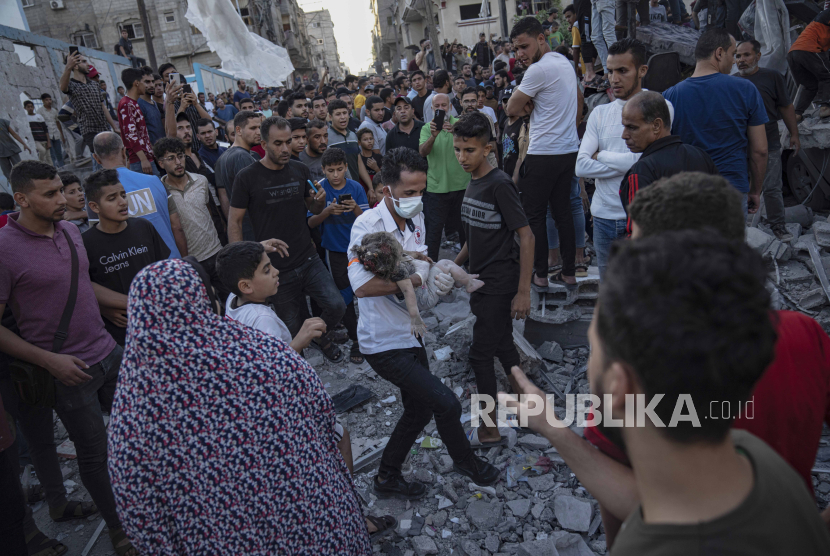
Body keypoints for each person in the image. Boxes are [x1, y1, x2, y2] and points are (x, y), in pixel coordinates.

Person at [504, 227, 830, 555]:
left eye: (594, 346)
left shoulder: (646, 547)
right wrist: (552, 428)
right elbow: (656, 501)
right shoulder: (755, 462)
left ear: (620, 385)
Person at [107, 258, 373, 555]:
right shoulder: (266, 355)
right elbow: (326, 424)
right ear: (207, 301)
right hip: (314, 526)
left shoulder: (133, 412)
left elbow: (138, 512)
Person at [0, 161, 137, 556]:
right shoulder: (5, 250)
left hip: (108, 351)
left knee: (145, 423)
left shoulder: (71, 232)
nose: (63, 199)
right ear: (22, 199)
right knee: (94, 452)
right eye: (51, 194)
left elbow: (83, 284)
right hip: (67, 370)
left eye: (62, 189)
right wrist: (47, 360)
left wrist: (129, 304)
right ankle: (118, 529)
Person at [348, 147, 500, 499]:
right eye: (408, 193)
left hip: (411, 334)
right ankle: (466, 462)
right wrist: (419, 282)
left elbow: (421, 263)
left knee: (417, 412)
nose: (416, 199)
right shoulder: (368, 227)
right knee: (446, 403)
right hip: (383, 342)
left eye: (421, 191)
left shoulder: (417, 219)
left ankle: (387, 478)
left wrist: (436, 282)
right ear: (386, 189)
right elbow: (362, 286)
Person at [229, 116, 346, 362]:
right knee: (291, 330)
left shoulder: (299, 169)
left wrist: (321, 200)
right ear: (263, 143)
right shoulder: (246, 177)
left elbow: (313, 209)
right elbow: (235, 221)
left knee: (337, 305)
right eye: (278, 143)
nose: (285, 148)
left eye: (288, 141)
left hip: (308, 256)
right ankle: (301, 369)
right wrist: (242, 262)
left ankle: (318, 335)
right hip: (275, 269)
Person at [452, 112, 533, 448]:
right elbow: (475, 234)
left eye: (469, 150)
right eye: (457, 149)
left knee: (479, 355)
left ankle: (488, 429)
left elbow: (526, 236)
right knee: (501, 345)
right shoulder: (473, 182)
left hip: (498, 284)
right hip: (478, 280)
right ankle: (529, 407)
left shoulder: (499, 184)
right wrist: (449, 265)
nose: (461, 157)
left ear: (487, 148)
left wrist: (523, 292)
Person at [576, 39, 673, 279]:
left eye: (622, 71)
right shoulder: (599, 113)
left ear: (642, 70)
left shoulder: (661, 107)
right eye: (610, 71)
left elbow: (657, 162)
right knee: (612, 294)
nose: (614, 78)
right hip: (603, 219)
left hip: (645, 217)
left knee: (646, 292)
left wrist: (603, 156)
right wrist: (636, 164)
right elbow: (581, 166)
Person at [506, 16, 581, 289]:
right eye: (515, 49)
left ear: (541, 39)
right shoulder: (565, 63)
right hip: (567, 150)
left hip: (542, 153)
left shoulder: (538, 71)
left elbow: (511, 109)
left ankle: (539, 275)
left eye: (524, 47)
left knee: (534, 216)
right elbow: (578, 101)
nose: (520, 55)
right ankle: (569, 272)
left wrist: (529, 103)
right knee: (563, 213)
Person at [663, 28, 768, 214]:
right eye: (733, 54)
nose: (734, 61)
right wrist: (755, 190)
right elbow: (759, 151)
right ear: (719, 53)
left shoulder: (670, 96)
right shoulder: (745, 89)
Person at [81, 168, 170, 346]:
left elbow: (162, 269)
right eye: (112, 198)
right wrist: (103, 308)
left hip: (159, 322)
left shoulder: (143, 227)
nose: (122, 202)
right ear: (94, 207)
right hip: (123, 335)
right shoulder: (85, 243)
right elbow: (84, 287)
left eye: (123, 195)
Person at [619, 91, 717, 233]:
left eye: (632, 127)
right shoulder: (700, 155)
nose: (624, 135)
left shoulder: (642, 171)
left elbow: (639, 233)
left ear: (657, 125)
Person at [307, 147, 370, 364]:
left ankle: (370, 333)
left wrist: (354, 209)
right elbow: (310, 222)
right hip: (334, 252)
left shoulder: (356, 188)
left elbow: (368, 221)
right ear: (323, 170)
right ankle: (355, 339)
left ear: (346, 168)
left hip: (358, 250)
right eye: (331, 170)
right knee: (345, 298)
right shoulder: (320, 190)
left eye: (340, 169)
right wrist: (326, 211)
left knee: (365, 292)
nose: (335, 175)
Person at [735, 39, 801, 240]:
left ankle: (778, 227)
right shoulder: (733, 81)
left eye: (746, 55)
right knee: (739, 187)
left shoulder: (772, 77)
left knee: (772, 187)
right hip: (739, 144)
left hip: (769, 141)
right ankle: (740, 232)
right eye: (738, 56)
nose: (742, 60)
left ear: (758, 56)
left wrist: (794, 133)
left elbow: (786, 107)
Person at [155, 137, 227, 300]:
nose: (178, 162)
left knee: (228, 298)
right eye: (171, 158)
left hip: (215, 251)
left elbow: (210, 211)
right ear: (161, 163)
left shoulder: (200, 180)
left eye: (180, 156)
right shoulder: (160, 191)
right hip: (191, 261)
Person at [92, 131, 181, 258]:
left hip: (135, 272)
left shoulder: (96, 193)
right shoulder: (155, 181)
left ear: (96, 158)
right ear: (124, 152)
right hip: (172, 265)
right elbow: (177, 226)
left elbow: (99, 239)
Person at [419, 93, 469, 261]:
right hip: (436, 188)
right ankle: (429, 267)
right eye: (437, 106)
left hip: (462, 185)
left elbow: (471, 145)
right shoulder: (427, 128)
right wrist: (434, 135)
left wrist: (456, 131)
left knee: (465, 230)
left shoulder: (461, 125)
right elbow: (422, 152)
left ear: (451, 107)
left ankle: (469, 266)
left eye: (444, 105)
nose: (441, 109)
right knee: (433, 231)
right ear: (432, 109)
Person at [60, 51, 119, 165]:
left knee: (111, 160)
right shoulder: (71, 85)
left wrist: (113, 127)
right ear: (75, 66)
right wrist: (68, 67)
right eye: (84, 61)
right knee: (100, 162)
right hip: (89, 131)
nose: (88, 64)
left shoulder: (94, 85)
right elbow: (63, 87)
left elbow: (103, 106)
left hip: (104, 127)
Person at [214, 110, 261, 233]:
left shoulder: (224, 156)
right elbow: (258, 196)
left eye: (260, 127)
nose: (259, 132)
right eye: (253, 128)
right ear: (238, 130)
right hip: (253, 226)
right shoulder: (241, 157)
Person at [787, 10, 830, 121]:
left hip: (793, 53)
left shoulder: (821, 20)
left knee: (810, 86)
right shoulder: (827, 15)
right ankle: (825, 107)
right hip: (808, 49)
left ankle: (797, 114)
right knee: (827, 75)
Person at [118, 67, 156, 176]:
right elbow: (131, 135)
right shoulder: (127, 104)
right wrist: (143, 159)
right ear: (136, 83)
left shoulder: (133, 103)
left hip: (145, 158)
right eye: (144, 82)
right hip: (140, 160)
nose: (147, 86)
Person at [328, 99, 362, 184]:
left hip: (355, 186)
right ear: (330, 117)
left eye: (345, 113)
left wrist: (370, 186)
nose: (342, 117)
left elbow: (359, 162)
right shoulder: (326, 137)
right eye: (338, 114)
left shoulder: (353, 135)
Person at [564, 4, 592, 83]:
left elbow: (576, 49)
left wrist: (575, 68)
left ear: (576, 14)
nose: (567, 20)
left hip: (586, 66)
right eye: (566, 17)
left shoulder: (576, 25)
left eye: (569, 16)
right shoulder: (587, 20)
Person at [590, 0, 617, 78]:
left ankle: (615, 68)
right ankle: (607, 70)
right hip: (594, 1)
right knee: (595, 37)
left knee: (608, 33)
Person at [137, 68, 164, 146]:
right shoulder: (138, 105)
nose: (151, 85)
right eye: (147, 82)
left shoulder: (154, 103)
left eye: (152, 81)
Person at [37, 94, 66, 168]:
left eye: (50, 99)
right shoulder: (40, 111)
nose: (49, 101)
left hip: (56, 134)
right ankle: (55, 169)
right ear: (43, 101)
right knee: (51, 154)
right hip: (47, 136)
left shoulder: (54, 111)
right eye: (47, 100)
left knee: (59, 153)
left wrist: (62, 135)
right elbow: (40, 125)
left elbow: (57, 123)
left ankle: (62, 168)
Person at [0, 117, 29, 186]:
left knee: (19, 167)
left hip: (11, 149)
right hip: (1, 153)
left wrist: (24, 144)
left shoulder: (3, 122)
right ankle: (15, 188)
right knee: (7, 173)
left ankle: (25, 184)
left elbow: (14, 134)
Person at [24, 100, 52, 165]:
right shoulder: (26, 118)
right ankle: (41, 164)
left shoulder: (39, 116)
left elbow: (45, 129)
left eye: (31, 106)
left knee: (48, 157)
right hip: (36, 140)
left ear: (33, 107)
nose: (30, 108)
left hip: (44, 139)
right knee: (42, 151)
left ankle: (52, 171)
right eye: (28, 107)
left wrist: (48, 141)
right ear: (25, 108)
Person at [357, 128, 382, 197]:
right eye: (365, 139)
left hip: (377, 193)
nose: (369, 141)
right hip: (363, 192)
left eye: (371, 139)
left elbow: (384, 177)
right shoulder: (359, 159)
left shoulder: (379, 157)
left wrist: (376, 168)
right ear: (359, 142)